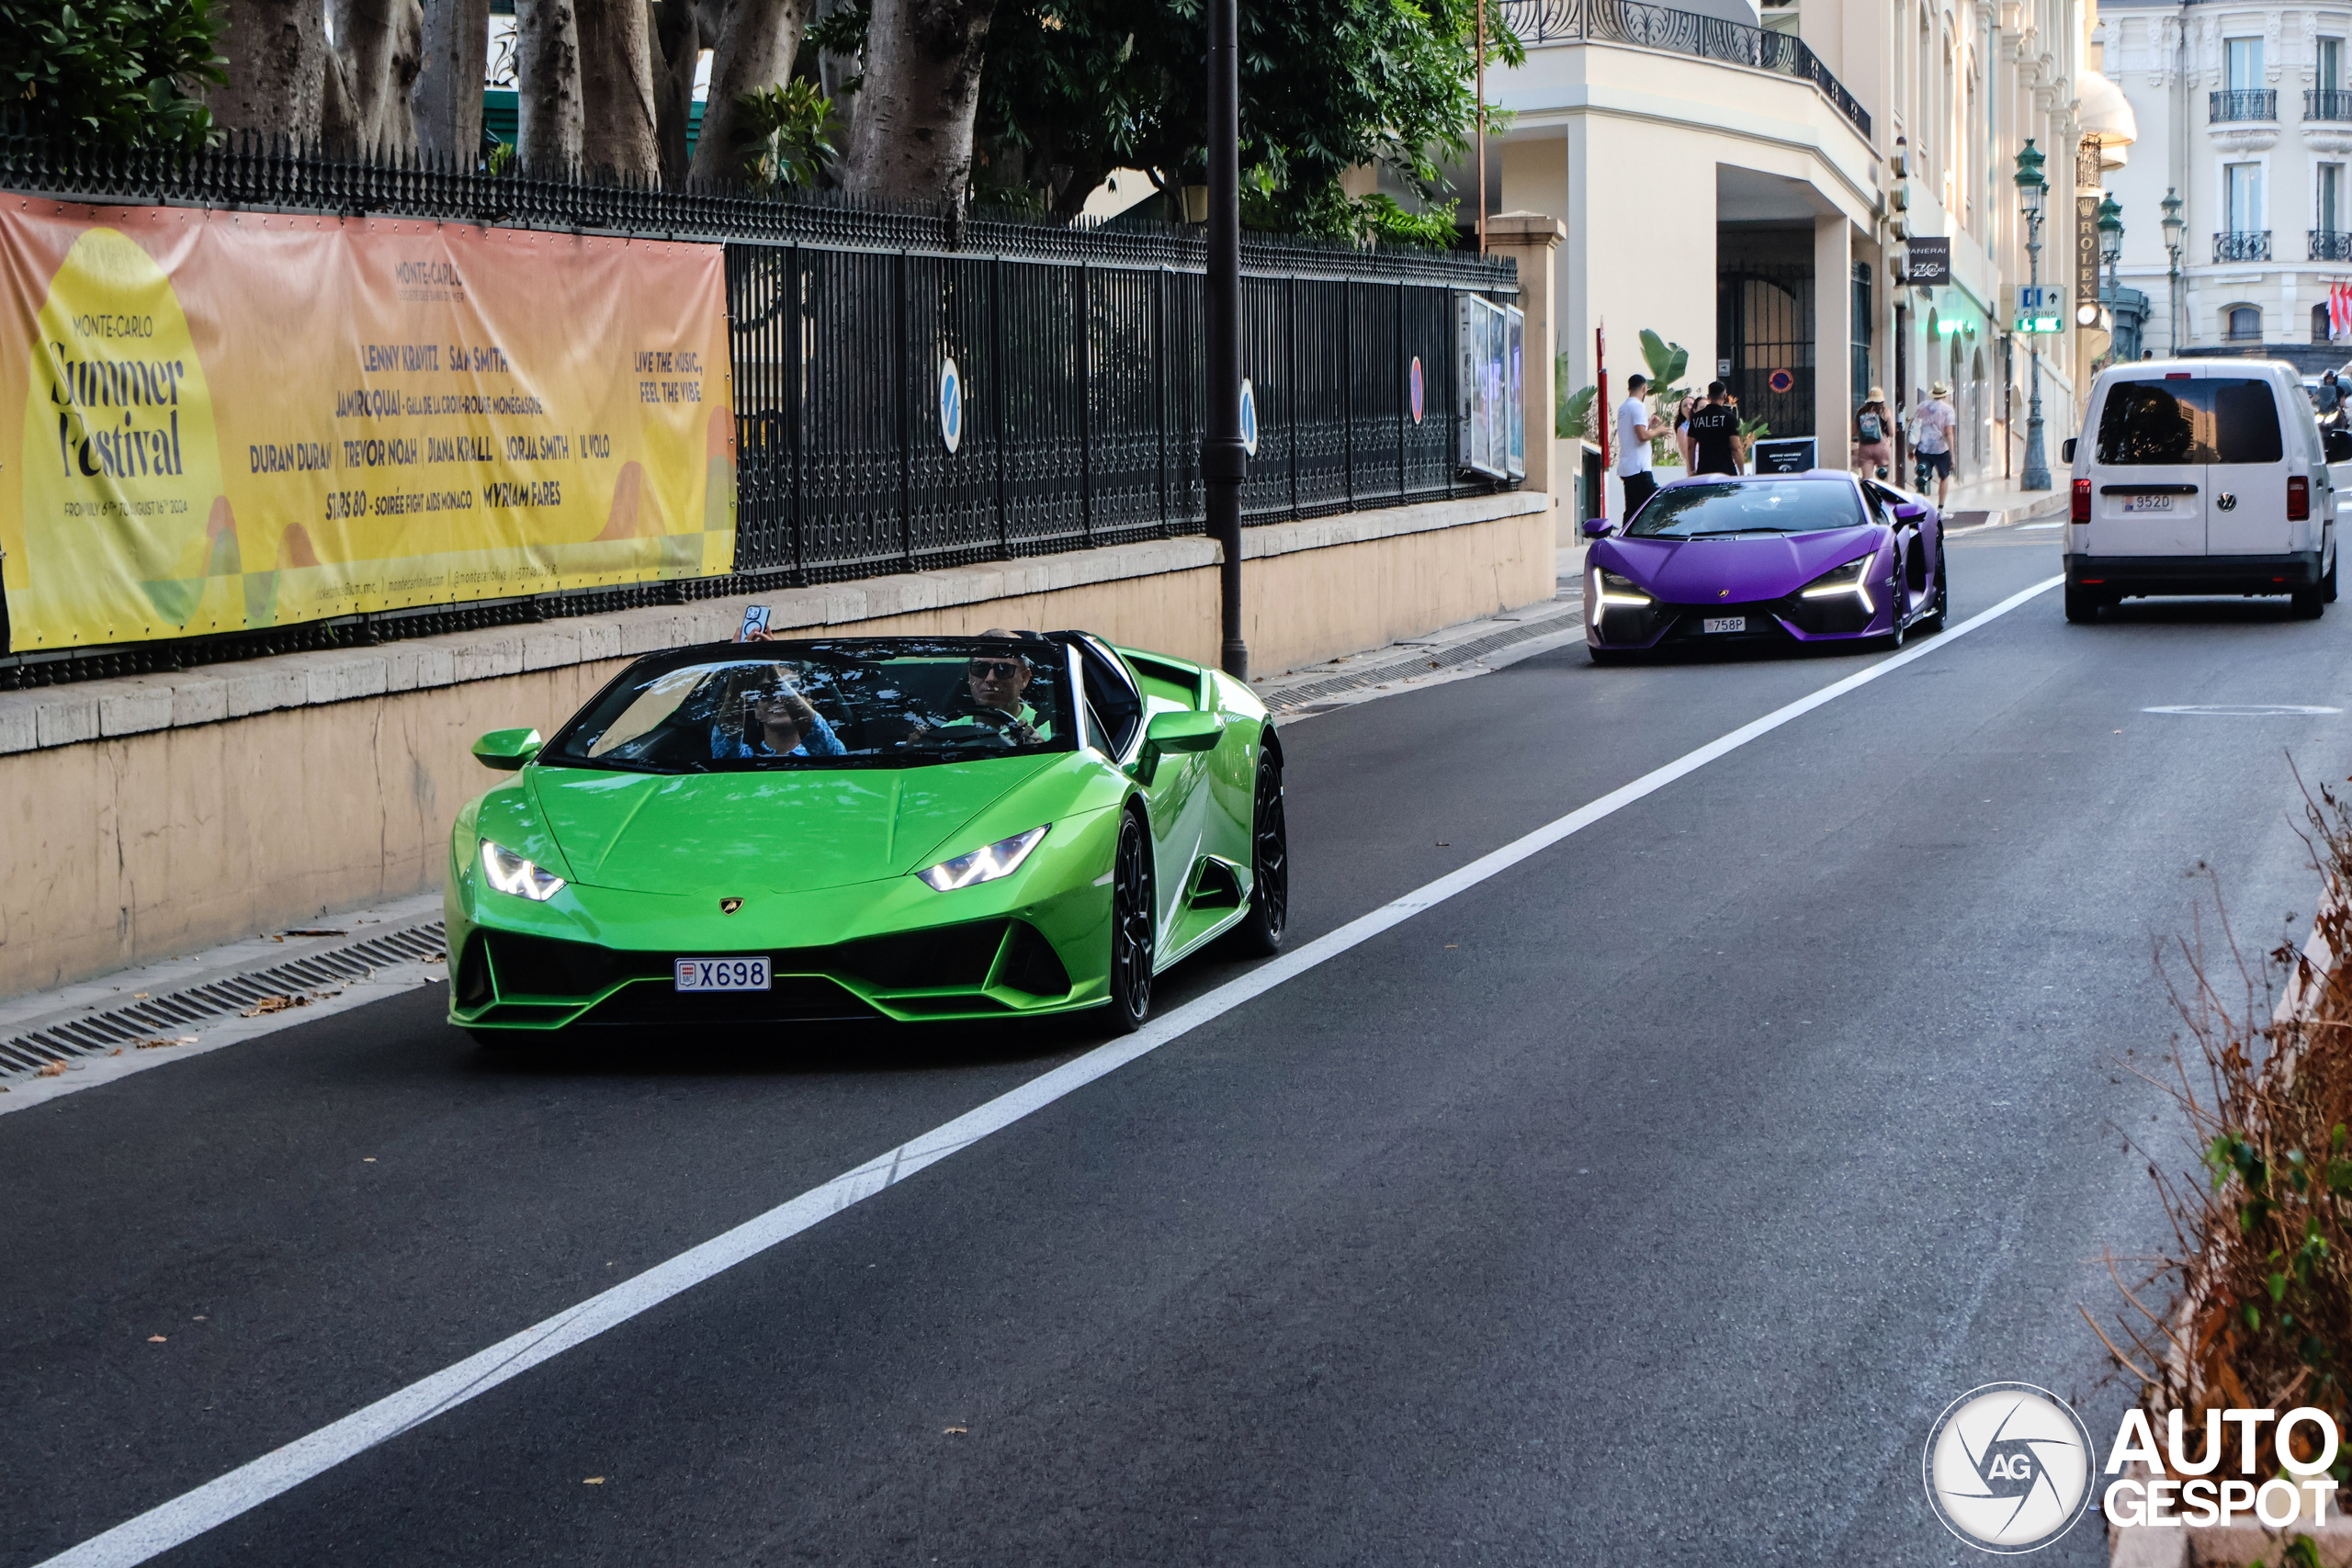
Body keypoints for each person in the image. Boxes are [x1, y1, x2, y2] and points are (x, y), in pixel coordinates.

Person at [712, 667, 847, 758]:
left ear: (809, 703)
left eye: (791, 690)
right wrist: (739, 669)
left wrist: (774, 673)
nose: (779, 698)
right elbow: (726, 741)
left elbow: (822, 741)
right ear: (756, 711)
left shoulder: (830, 753)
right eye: (767, 691)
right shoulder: (746, 757)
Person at [1614, 374, 1671, 519]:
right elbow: (1642, 436)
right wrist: (1659, 430)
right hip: (1639, 467)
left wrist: (1649, 424)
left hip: (1628, 467)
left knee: (1633, 511)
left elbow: (1632, 432)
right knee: (1653, 508)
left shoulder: (1623, 408)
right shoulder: (1638, 406)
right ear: (1645, 388)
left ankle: (1627, 537)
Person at [1913, 381, 1957, 506]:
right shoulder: (1948, 410)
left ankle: (1922, 506)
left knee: (1923, 475)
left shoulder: (1921, 407)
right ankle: (1940, 507)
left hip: (1923, 447)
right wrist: (1952, 455)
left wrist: (1910, 448)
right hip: (1940, 449)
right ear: (1945, 395)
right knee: (1944, 477)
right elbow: (1948, 433)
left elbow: (1913, 426)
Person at [1686, 382, 1745, 476]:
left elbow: (1690, 447)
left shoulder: (1697, 418)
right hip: (1726, 469)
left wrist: (1692, 470)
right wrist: (1741, 472)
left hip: (1704, 470)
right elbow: (1736, 447)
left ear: (1708, 396)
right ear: (1725, 396)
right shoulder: (1729, 418)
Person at [1852, 386, 1894, 479]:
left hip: (1865, 447)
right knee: (1883, 478)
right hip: (1882, 446)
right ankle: (1881, 493)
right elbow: (1891, 432)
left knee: (1867, 480)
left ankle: (1868, 493)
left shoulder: (1861, 412)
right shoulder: (1885, 412)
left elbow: (1854, 432)